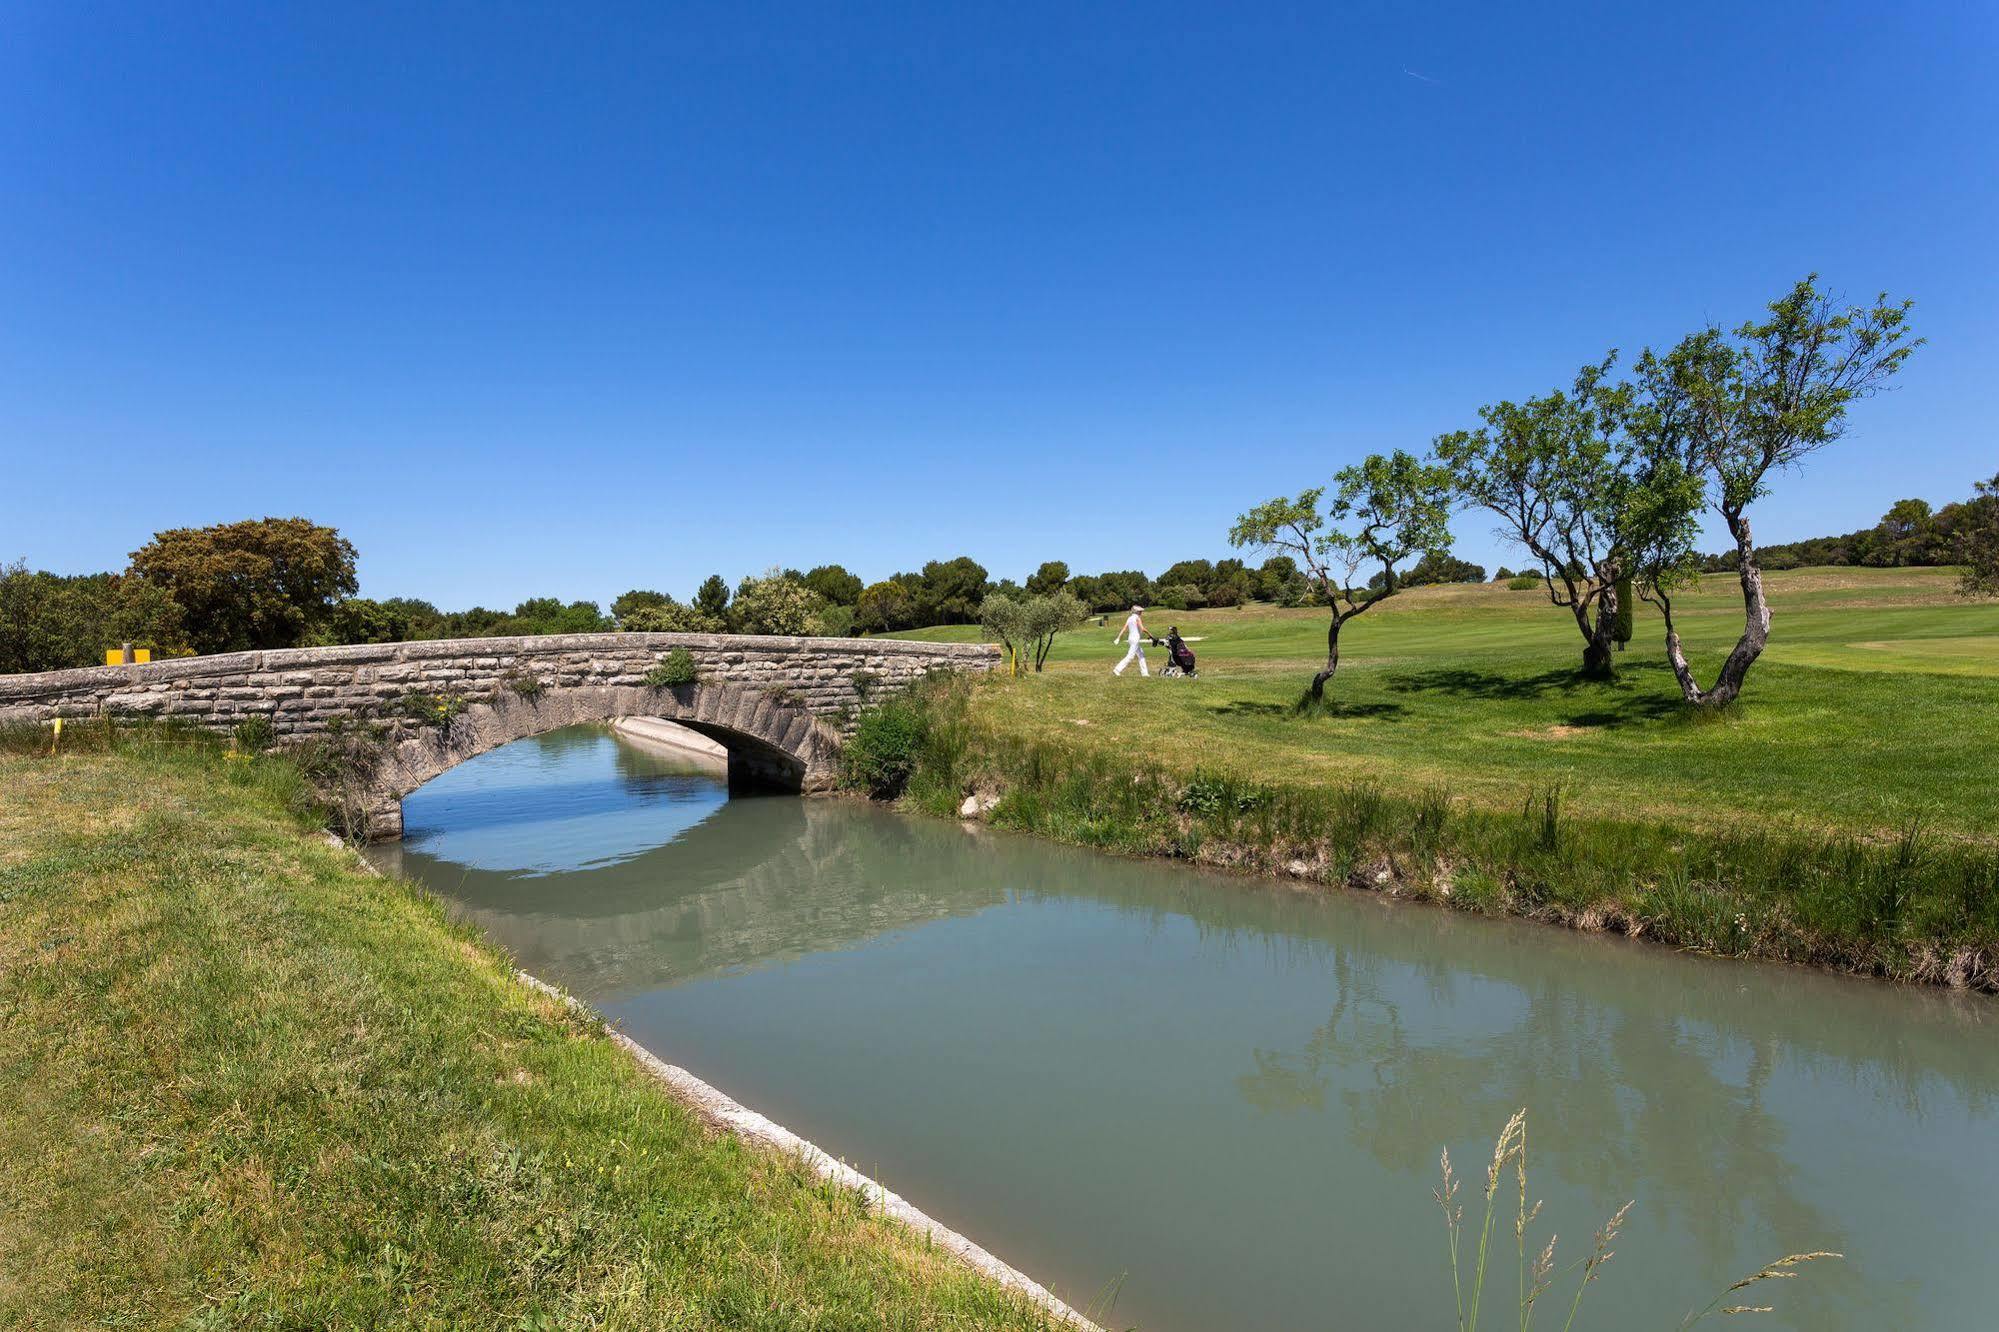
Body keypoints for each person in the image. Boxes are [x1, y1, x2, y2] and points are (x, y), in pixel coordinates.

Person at [1112, 604, 1149, 677]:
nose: (1141, 612)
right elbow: (1142, 629)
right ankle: (1117, 669)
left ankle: (1144, 673)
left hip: (1131, 639)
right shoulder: (1137, 618)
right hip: (1135, 639)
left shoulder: (1129, 618)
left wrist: (1118, 638)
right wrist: (1151, 635)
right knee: (1130, 656)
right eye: (1140, 611)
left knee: (1141, 654)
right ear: (1137, 612)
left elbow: (1124, 629)